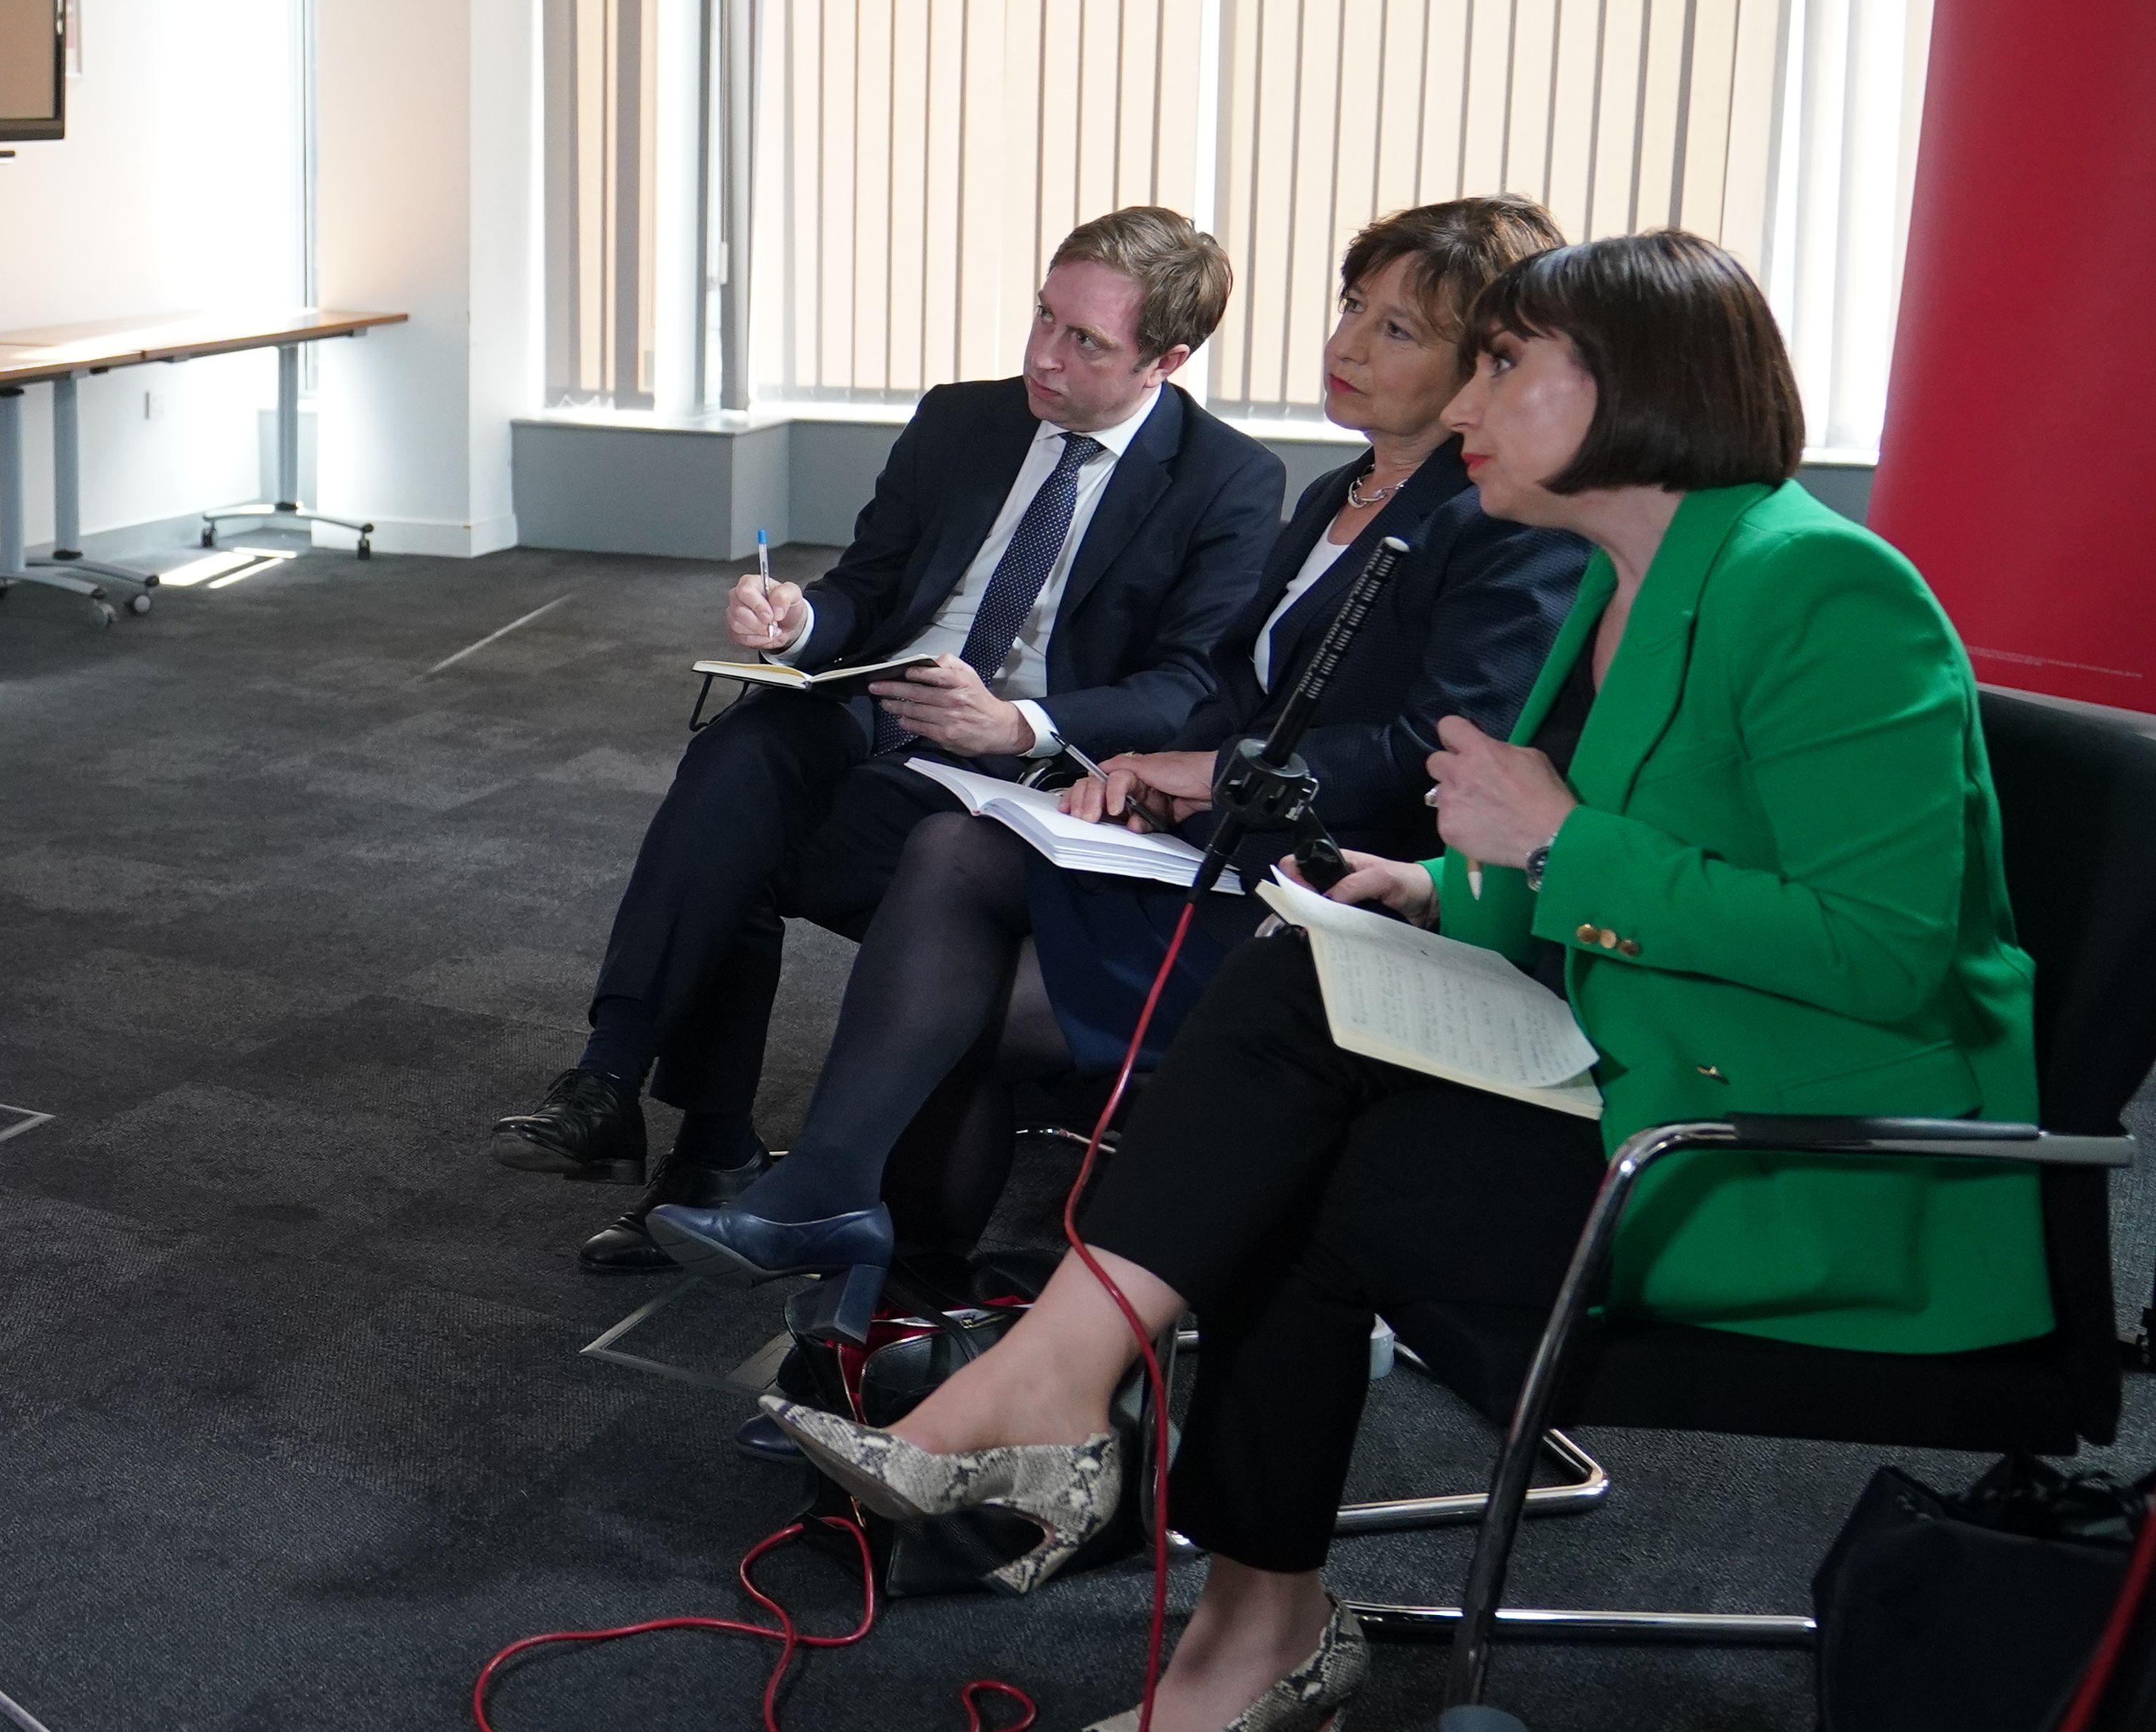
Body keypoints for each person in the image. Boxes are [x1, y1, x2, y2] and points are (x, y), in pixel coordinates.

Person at [764, 230, 2050, 1732]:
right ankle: (1152, 1507)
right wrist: (1447, 887)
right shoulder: (1639, 580)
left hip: (1799, 1159)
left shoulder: (1830, 591)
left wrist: (1557, 844)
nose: (1466, 402)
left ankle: (1218, 1581)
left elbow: (1882, 950)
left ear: (1626, 391)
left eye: (1504, 365)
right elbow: (1662, 851)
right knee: (1299, 979)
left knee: (1302, 1178)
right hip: (1645, 1061)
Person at [645, 199, 1587, 1313]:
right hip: (1231, 841)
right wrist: (1146, 768)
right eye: (1351, 308)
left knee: (969, 991)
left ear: (1486, 366)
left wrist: (1207, 775)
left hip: (1342, 886)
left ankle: (881, 1303)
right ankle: (842, 1218)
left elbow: (1428, 750)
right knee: (955, 846)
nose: (1344, 346)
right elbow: (1240, 688)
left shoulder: (1496, 520)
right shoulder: (1343, 490)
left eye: (1397, 331)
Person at [494, 208, 1288, 1273]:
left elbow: (1192, 685)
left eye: (1086, 341)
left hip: (1031, 760)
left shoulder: (1227, 477)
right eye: (1044, 317)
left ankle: (712, 1155)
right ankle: (607, 1071)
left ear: (1169, 359)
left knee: (744, 856)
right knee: (742, 754)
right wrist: (799, 622)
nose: (1043, 356)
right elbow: (870, 588)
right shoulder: (964, 419)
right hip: (885, 699)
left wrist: (1023, 722)